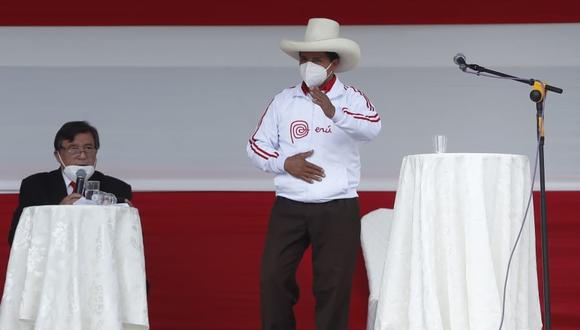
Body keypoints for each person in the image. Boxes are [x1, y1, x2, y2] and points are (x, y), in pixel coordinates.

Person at [246, 18, 381, 330]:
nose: (308, 66)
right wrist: (285, 163)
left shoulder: (351, 98)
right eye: (303, 60)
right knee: (273, 279)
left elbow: (373, 127)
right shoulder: (283, 101)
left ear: (333, 63)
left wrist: (334, 113)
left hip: (337, 205)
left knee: (332, 286)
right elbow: (256, 146)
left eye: (316, 60)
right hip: (290, 205)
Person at [9, 121, 132, 245]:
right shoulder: (35, 186)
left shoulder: (117, 188)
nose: (83, 156)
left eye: (89, 148)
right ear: (57, 155)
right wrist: (59, 213)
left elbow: (126, 243)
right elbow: (17, 239)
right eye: (74, 149)